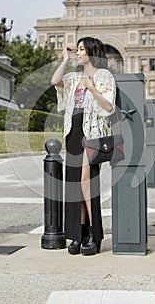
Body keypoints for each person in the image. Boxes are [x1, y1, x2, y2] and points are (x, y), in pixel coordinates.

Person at [51, 37, 116, 256]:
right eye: (77, 49)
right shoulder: (73, 77)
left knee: (85, 185)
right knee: (75, 188)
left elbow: (109, 107)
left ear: (91, 52)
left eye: (81, 49)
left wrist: (93, 89)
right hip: (73, 135)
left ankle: (93, 234)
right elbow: (55, 81)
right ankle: (78, 234)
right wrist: (64, 60)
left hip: (92, 136)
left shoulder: (103, 76)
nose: (78, 53)